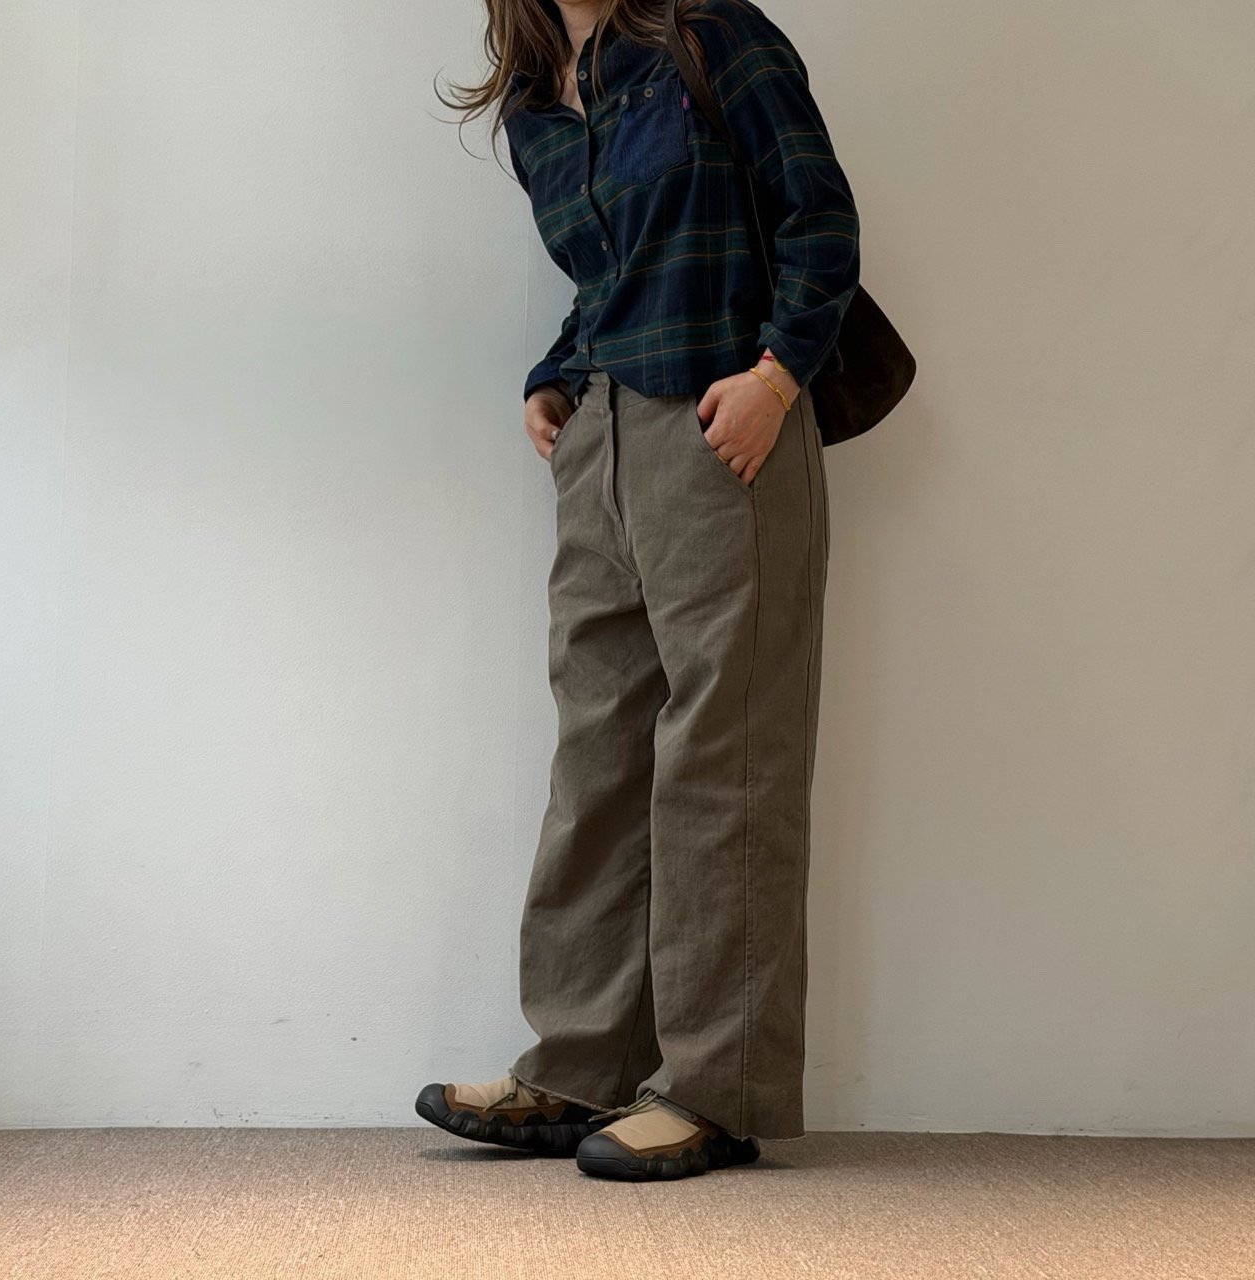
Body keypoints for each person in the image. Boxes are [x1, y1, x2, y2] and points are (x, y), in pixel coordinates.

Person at [417, 0, 860, 1181]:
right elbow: (610, 279)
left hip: (724, 434)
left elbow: (819, 219)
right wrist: (557, 377)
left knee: (726, 756)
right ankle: (577, 1065)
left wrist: (775, 376)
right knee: (596, 758)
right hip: (600, 438)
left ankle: (715, 1086)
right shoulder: (533, 107)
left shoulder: (709, 36)